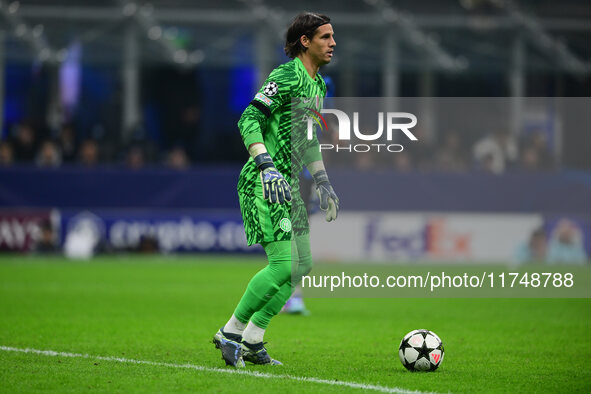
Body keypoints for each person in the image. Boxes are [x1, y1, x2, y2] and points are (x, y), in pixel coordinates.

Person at [212, 12, 338, 367]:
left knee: (302, 266)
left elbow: (309, 140)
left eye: (332, 37)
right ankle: (231, 332)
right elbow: (248, 119)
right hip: (263, 181)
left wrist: (322, 179)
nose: (332, 43)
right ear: (305, 41)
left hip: (290, 186)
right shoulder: (285, 76)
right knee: (283, 266)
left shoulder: (319, 86)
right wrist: (266, 165)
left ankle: (253, 340)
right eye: (325, 37)